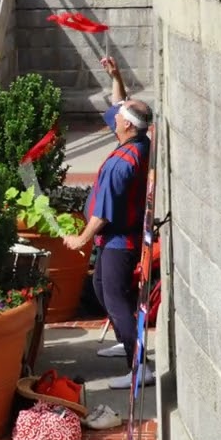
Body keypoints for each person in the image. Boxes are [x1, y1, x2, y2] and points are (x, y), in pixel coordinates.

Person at [63, 57, 153, 390]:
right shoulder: (139, 142)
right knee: (103, 290)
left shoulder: (120, 165)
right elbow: (121, 105)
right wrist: (116, 76)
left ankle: (139, 365)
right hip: (115, 242)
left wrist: (80, 240)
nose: (113, 116)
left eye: (118, 116)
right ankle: (128, 341)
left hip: (118, 243)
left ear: (126, 125)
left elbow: (101, 214)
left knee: (115, 299)